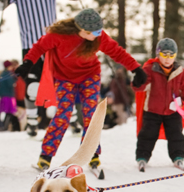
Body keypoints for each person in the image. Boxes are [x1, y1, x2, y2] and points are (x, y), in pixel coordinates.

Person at [15, 9, 146, 171]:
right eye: (95, 32)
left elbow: (117, 52)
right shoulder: (58, 35)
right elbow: (39, 47)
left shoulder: (98, 37)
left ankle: (92, 153)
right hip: (64, 79)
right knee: (63, 115)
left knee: (91, 115)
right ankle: (46, 156)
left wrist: (136, 69)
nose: (98, 34)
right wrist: (27, 63)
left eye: (99, 30)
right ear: (82, 30)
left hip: (90, 77)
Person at [0, 0, 83, 137]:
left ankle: (73, 120)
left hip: (53, 44)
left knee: (62, 81)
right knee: (32, 85)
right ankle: (32, 123)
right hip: (30, 45)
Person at [133, 38, 184, 172]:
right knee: (147, 135)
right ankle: (142, 157)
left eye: (171, 55)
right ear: (158, 54)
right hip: (152, 110)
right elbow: (141, 87)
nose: (168, 59)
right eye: (164, 54)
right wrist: (137, 82)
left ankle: (178, 157)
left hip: (173, 111)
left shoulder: (180, 72)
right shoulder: (150, 69)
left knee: (176, 135)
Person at [0, 60, 19, 131]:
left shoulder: (2, 73)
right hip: (8, 95)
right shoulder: (8, 74)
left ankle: (2, 125)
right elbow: (11, 84)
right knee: (9, 112)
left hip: (3, 95)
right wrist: (14, 79)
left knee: (3, 111)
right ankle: (4, 126)